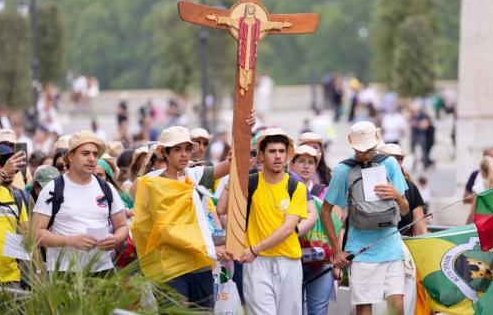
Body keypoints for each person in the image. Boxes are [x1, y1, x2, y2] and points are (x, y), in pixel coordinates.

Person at [133, 126, 236, 308]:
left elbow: (230, 164)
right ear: (165, 153)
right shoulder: (153, 184)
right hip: (169, 267)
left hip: (199, 265)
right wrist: (210, 248)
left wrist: (244, 126)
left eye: (187, 149)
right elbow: (166, 229)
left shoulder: (194, 176)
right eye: (177, 149)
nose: (184, 155)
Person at [321, 121, 409, 315]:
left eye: (369, 150)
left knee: (397, 306)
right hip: (360, 249)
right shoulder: (343, 170)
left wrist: (396, 195)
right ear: (351, 146)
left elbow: (404, 210)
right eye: (360, 151)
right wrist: (337, 251)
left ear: (376, 143)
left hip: (391, 245)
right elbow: (325, 211)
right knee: (364, 308)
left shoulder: (390, 163)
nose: (365, 155)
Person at [32, 130, 129, 274]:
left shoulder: (105, 188)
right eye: (85, 153)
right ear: (70, 156)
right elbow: (35, 233)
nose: (92, 159)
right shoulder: (54, 188)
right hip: (65, 273)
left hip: (102, 269)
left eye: (95, 154)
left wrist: (115, 239)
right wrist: (70, 241)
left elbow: (122, 226)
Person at [234, 128, 308, 315]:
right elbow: (222, 208)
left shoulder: (296, 187)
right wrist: (236, 173)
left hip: (289, 262)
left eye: (281, 151)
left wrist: (253, 249)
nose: (277, 156)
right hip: (257, 264)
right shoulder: (250, 182)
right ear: (261, 156)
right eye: (272, 151)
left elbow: (288, 228)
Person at [290, 145, 339, 315]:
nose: (306, 166)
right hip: (290, 259)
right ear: (291, 164)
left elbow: (338, 227)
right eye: (301, 161)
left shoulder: (325, 191)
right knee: (294, 309)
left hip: (321, 260)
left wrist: (337, 255)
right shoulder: (282, 190)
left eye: (311, 162)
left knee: (318, 311)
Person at [0, 143, 28, 286]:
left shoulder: (16, 196)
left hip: (10, 279)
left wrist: (37, 276)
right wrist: (2, 172)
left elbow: (26, 239)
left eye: (2, 162)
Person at [379, 144, 428, 236]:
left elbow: (420, 229)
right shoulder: (371, 184)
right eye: (390, 158)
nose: (395, 162)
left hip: (403, 242)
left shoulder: (411, 187)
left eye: (399, 158)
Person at [466, 156, 493, 223]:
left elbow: (473, 214)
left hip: (485, 226)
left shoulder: (478, 188)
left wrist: (466, 227)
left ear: (482, 171)